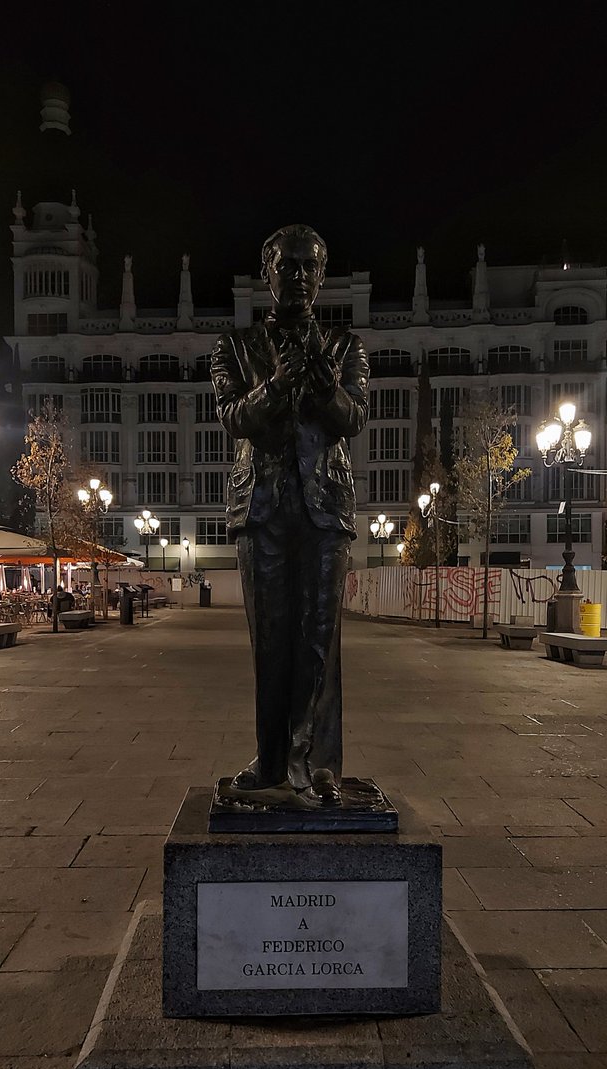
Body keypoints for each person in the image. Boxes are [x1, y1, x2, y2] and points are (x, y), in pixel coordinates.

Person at [211, 224, 369, 805]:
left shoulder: (345, 347)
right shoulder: (234, 346)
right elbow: (234, 418)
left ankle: (316, 761)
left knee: (319, 636)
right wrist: (275, 387)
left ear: (322, 277)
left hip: (325, 506)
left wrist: (328, 393)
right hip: (262, 506)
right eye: (288, 265)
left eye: (310, 266)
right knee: (271, 640)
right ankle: (274, 758)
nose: (299, 276)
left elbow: (354, 419)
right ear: (268, 273)